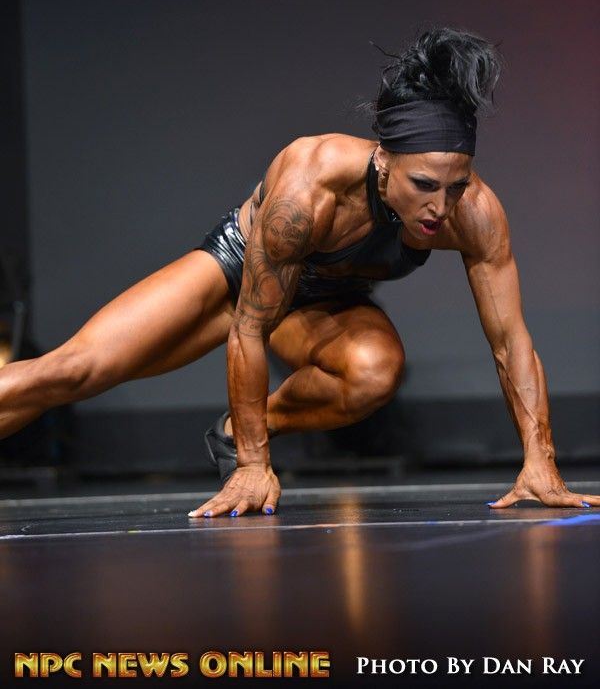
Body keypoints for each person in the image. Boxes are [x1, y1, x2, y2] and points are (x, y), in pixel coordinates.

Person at [1, 28, 597, 517]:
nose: (440, 207)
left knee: (373, 372)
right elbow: (250, 328)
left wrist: (539, 460)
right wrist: (253, 465)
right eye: (423, 185)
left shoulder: (474, 212)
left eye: (455, 187)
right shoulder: (308, 189)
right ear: (383, 160)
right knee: (74, 371)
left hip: (326, 300)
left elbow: (510, 340)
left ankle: (236, 428)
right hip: (240, 277)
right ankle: (244, 442)